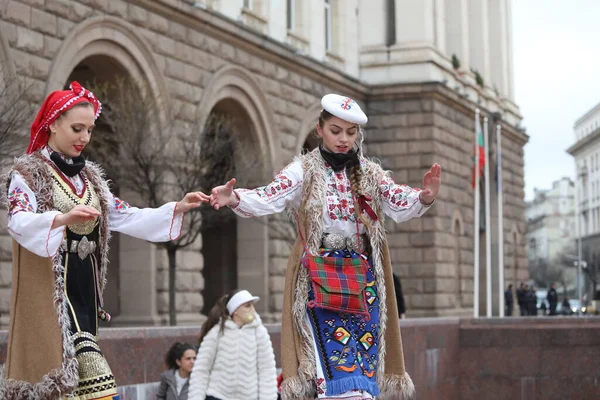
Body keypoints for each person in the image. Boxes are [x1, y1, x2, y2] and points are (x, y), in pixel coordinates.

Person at [209, 94, 441, 399]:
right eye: (335, 130)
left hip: (364, 280)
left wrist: (423, 197)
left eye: (350, 132)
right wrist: (235, 197)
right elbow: (270, 196)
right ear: (320, 129)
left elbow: (399, 201)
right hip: (319, 277)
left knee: (364, 367)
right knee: (331, 368)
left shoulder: (371, 174)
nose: (343, 139)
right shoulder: (303, 170)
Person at [0, 82, 209, 400]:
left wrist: (176, 208)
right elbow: (18, 222)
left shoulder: (91, 180)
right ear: (53, 123)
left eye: (89, 130)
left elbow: (126, 216)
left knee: (84, 383)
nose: (84, 137)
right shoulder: (28, 174)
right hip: (50, 295)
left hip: (84, 293)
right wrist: (61, 219)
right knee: (82, 381)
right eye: (77, 128)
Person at [188, 289, 277, 400]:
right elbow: (201, 369)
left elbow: (267, 371)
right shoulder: (217, 333)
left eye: (252, 306)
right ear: (235, 310)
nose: (252, 310)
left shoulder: (260, 333)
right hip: (217, 396)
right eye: (247, 306)